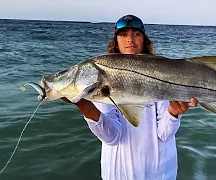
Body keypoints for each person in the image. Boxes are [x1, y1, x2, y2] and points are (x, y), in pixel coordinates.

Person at [64, 14, 198, 180]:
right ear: (116, 41)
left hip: (161, 173)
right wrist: (85, 107)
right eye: (123, 34)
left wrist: (173, 113)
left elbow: (164, 133)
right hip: (118, 174)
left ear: (144, 39)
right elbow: (111, 137)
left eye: (136, 34)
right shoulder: (103, 78)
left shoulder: (161, 73)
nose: (130, 40)